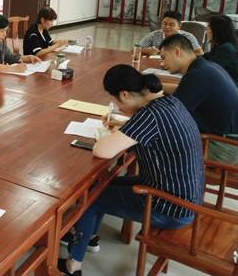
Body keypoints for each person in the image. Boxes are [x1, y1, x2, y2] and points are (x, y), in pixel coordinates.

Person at [58, 64, 204, 276]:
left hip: (170, 206)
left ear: (125, 94)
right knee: (101, 184)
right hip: (182, 194)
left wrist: (118, 130)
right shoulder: (168, 102)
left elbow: (102, 150)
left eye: (117, 101)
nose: (118, 107)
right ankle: (88, 236)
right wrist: (123, 125)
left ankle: (73, 265)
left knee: (92, 197)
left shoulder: (149, 116)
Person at [159, 33, 238, 165]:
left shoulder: (198, 75)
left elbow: (170, 114)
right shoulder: (206, 67)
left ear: (177, 52)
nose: (162, 63)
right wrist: (157, 86)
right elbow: (182, 89)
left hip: (224, 146)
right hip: (227, 139)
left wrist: (145, 99)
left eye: (163, 57)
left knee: (157, 141)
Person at [138, 10, 203, 56]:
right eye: (165, 24)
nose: (167, 27)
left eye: (171, 25)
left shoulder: (188, 37)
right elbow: (136, 48)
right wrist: (147, 50)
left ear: (179, 26)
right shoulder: (154, 35)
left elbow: (200, 53)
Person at [204, 14, 238, 86]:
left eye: (208, 28)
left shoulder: (227, 49)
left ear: (216, 31)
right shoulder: (222, 45)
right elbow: (205, 57)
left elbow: (208, 69)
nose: (206, 32)